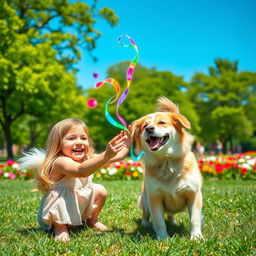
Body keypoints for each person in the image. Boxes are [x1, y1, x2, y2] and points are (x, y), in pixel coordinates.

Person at [19, 118, 132, 242]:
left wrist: (127, 143)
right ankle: (60, 229)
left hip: (78, 207)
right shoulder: (60, 161)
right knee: (60, 198)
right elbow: (81, 171)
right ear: (58, 143)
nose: (79, 142)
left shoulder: (87, 157)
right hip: (57, 214)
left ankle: (92, 220)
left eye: (83, 138)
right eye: (71, 138)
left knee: (100, 190)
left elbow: (118, 156)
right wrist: (105, 155)